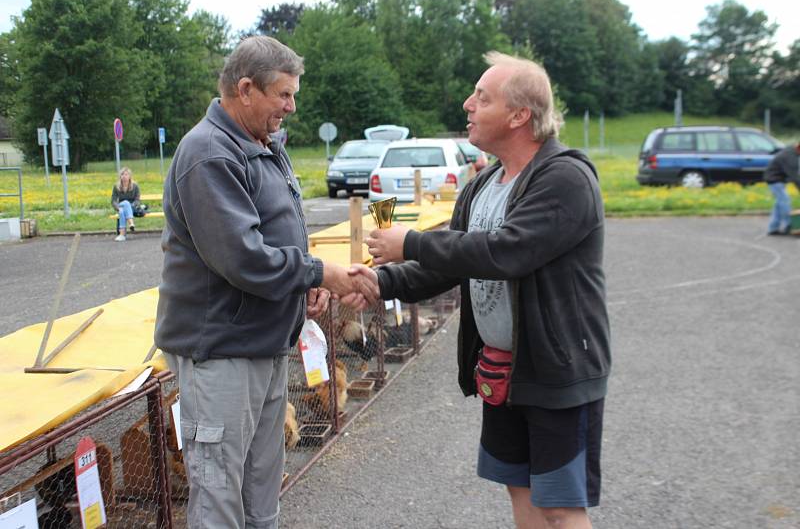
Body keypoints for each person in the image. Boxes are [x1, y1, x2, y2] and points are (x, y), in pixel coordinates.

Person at [355, 51, 611, 529]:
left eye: (482, 97)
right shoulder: (484, 183)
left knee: (559, 505)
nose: (468, 105)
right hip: (503, 367)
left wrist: (409, 241)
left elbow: (504, 251)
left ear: (519, 115)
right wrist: (377, 280)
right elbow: (446, 269)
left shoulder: (565, 178)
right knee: (522, 491)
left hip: (556, 370)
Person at [154, 36, 377, 529]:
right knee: (220, 500)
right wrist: (319, 272)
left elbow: (276, 239)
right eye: (284, 94)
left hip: (266, 344)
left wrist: (303, 284)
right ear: (246, 88)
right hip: (223, 352)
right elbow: (243, 258)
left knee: (261, 496)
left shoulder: (262, 145)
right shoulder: (209, 154)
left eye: (294, 95)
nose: (291, 107)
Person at [764, 141, 800, 235]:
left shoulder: (792, 151)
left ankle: (773, 228)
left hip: (776, 179)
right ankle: (789, 225)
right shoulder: (790, 157)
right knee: (785, 202)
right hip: (775, 180)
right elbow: (794, 177)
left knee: (779, 204)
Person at [111, 166, 141, 241]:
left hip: (132, 207)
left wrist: (130, 206)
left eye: (126, 174)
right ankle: (131, 223)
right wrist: (118, 207)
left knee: (122, 211)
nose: (124, 176)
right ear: (120, 176)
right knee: (125, 204)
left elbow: (137, 200)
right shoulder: (116, 186)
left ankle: (122, 235)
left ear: (130, 176)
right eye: (122, 174)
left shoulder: (135, 186)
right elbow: (113, 201)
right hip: (121, 206)